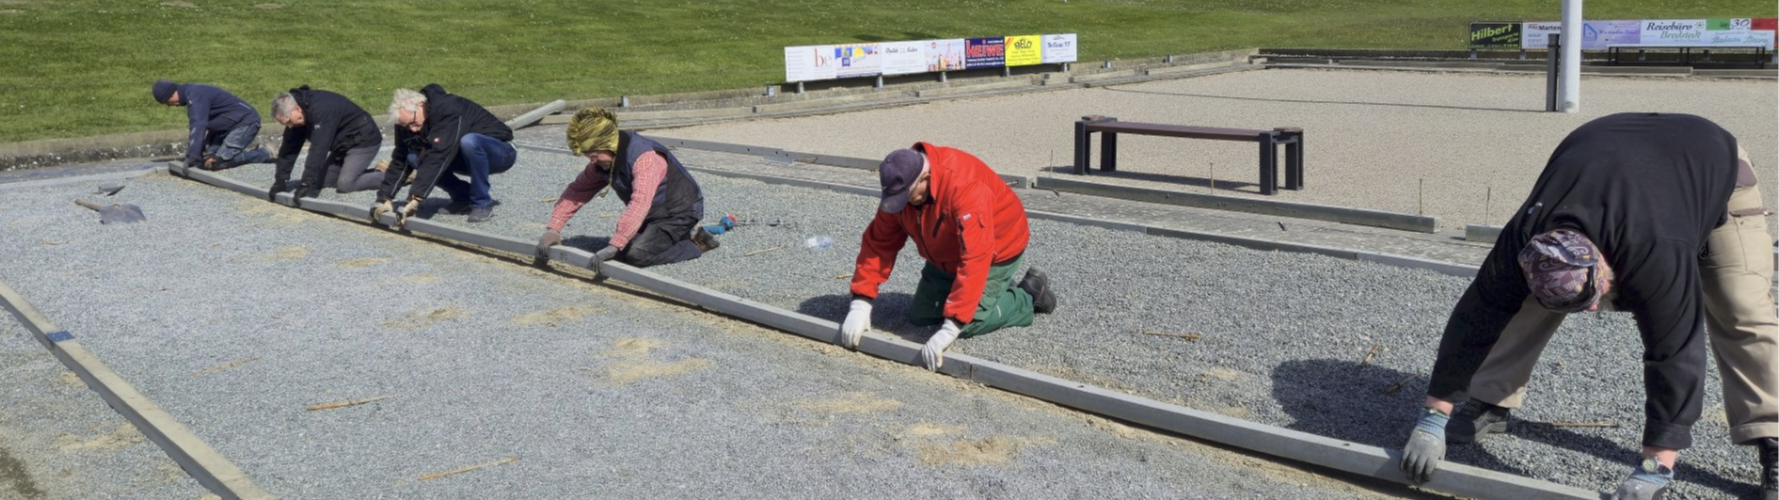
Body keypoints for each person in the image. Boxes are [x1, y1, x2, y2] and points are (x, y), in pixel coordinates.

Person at [1398, 113, 1776, 500]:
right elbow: (1475, 319)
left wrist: (1655, 467)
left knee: (1741, 307)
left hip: (1713, 168)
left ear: (1607, 266)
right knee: (1530, 298)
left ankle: (1773, 435)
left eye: (1593, 300)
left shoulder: (1655, 253)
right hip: (1614, 164)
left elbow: (1676, 352)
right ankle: (1489, 398)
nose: (1591, 313)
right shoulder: (1524, 238)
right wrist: (1432, 418)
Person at [839, 144, 1058, 371]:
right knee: (922, 316)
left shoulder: (964, 188)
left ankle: (1027, 296)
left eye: (908, 197)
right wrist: (861, 303)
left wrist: (951, 328)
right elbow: (879, 242)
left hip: (997, 249)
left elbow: (975, 257)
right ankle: (992, 290)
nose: (903, 204)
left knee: (968, 323)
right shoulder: (902, 187)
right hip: (947, 253)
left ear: (925, 179)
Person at [535, 108, 718, 267]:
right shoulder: (605, 162)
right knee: (620, 250)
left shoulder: (645, 159)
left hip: (679, 212)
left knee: (635, 255)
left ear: (607, 145)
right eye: (589, 156)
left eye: (594, 155)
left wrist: (616, 243)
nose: (592, 161)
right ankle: (672, 237)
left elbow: (640, 202)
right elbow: (577, 191)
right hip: (654, 213)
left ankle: (696, 244)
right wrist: (553, 228)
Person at [374, 84, 514, 224]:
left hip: (501, 153)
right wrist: (385, 198)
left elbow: (439, 156)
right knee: (413, 157)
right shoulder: (407, 121)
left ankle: (482, 202)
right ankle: (463, 197)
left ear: (420, 105)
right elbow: (400, 158)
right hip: (464, 156)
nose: (413, 129)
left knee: (469, 141)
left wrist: (415, 197)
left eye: (413, 123)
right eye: (407, 126)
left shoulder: (449, 110)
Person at [268, 86, 385, 199]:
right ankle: (375, 171)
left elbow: (319, 148)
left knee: (345, 184)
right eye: (286, 124)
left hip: (363, 139)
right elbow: (288, 148)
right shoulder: (297, 117)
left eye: (289, 122)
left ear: (297, 109)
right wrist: (280, 180)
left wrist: (306, 183)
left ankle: (390, 177)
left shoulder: (321, 109)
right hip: (342, 145)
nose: (289, 126)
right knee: (325, 182)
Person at [153, 80, 271, 171]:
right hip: (226, 127)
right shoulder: (191, 93)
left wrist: (193, 156)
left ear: (171, 95)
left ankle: (265, 153)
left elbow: (198, 124)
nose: (168, 105)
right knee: (207, 159)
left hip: (245, 122)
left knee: (216, 163)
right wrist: (199, 152)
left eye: (166, 102)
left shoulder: (195, 96)